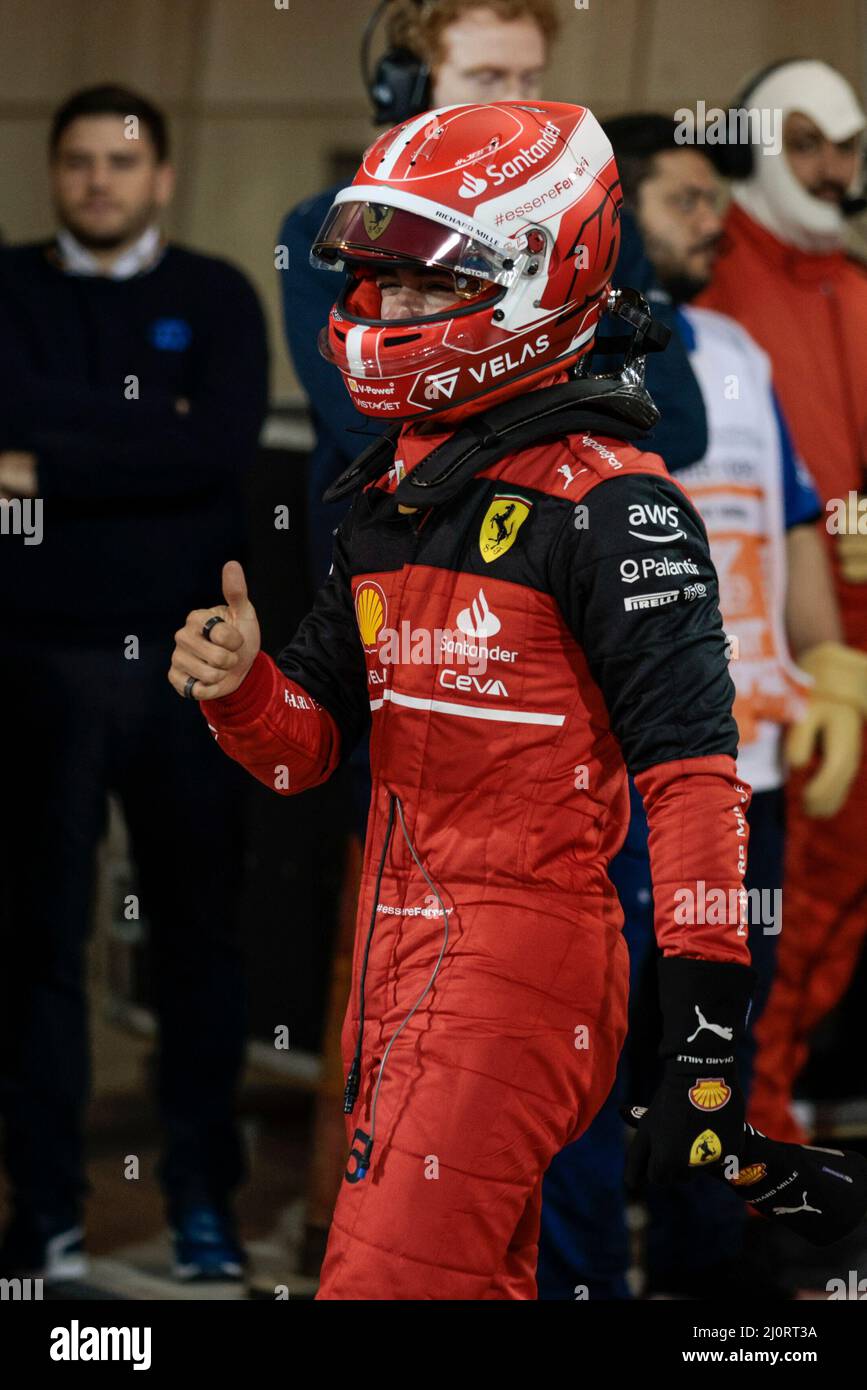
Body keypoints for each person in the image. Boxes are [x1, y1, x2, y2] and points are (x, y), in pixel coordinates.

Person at [170, 99, 754, 1300]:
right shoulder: (393, 494)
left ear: (545, 271)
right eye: (380, 280)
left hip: (519, 964)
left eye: (430, 285)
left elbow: (694, 774)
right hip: (398, 954)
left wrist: (705, 1023)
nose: (389, 311)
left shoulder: (618, 507)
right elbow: (308, 749)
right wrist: (242, 691)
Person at [537, 114, 867, 1301]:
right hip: (619, 778)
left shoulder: (733, 348)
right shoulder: (555, 352)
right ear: (611, 212)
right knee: (585, 1052)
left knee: (717, 1049)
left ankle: (709, 1283)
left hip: (749, 777)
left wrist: (835, 670)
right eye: (682, 198)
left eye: (716, 199)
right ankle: (585, 1285)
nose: (711, 218)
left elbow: (789, 522)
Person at [0, 85, 268, 1282]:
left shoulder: (215, 296)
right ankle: (46, 1213)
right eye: (78, 161)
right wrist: (142, 441)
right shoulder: (6, 285)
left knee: (202, 945)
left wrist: (35, 464)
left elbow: (215, 448)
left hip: (188, 667)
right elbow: (171, 448)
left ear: (161, 176)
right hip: (31, 664)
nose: (99, 180)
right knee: (35, 951)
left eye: (122, 160)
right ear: (54, 173)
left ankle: (204, 1195)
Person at [697, 60, 867, 1145]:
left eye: (845, 147)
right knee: (766, 901)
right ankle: (745, 1143)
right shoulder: (714, 287)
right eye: (805, 140)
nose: (829, 167)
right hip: (761, 650)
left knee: (838, 894)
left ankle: (777, 1113)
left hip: (850, 647)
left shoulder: (853, 286)